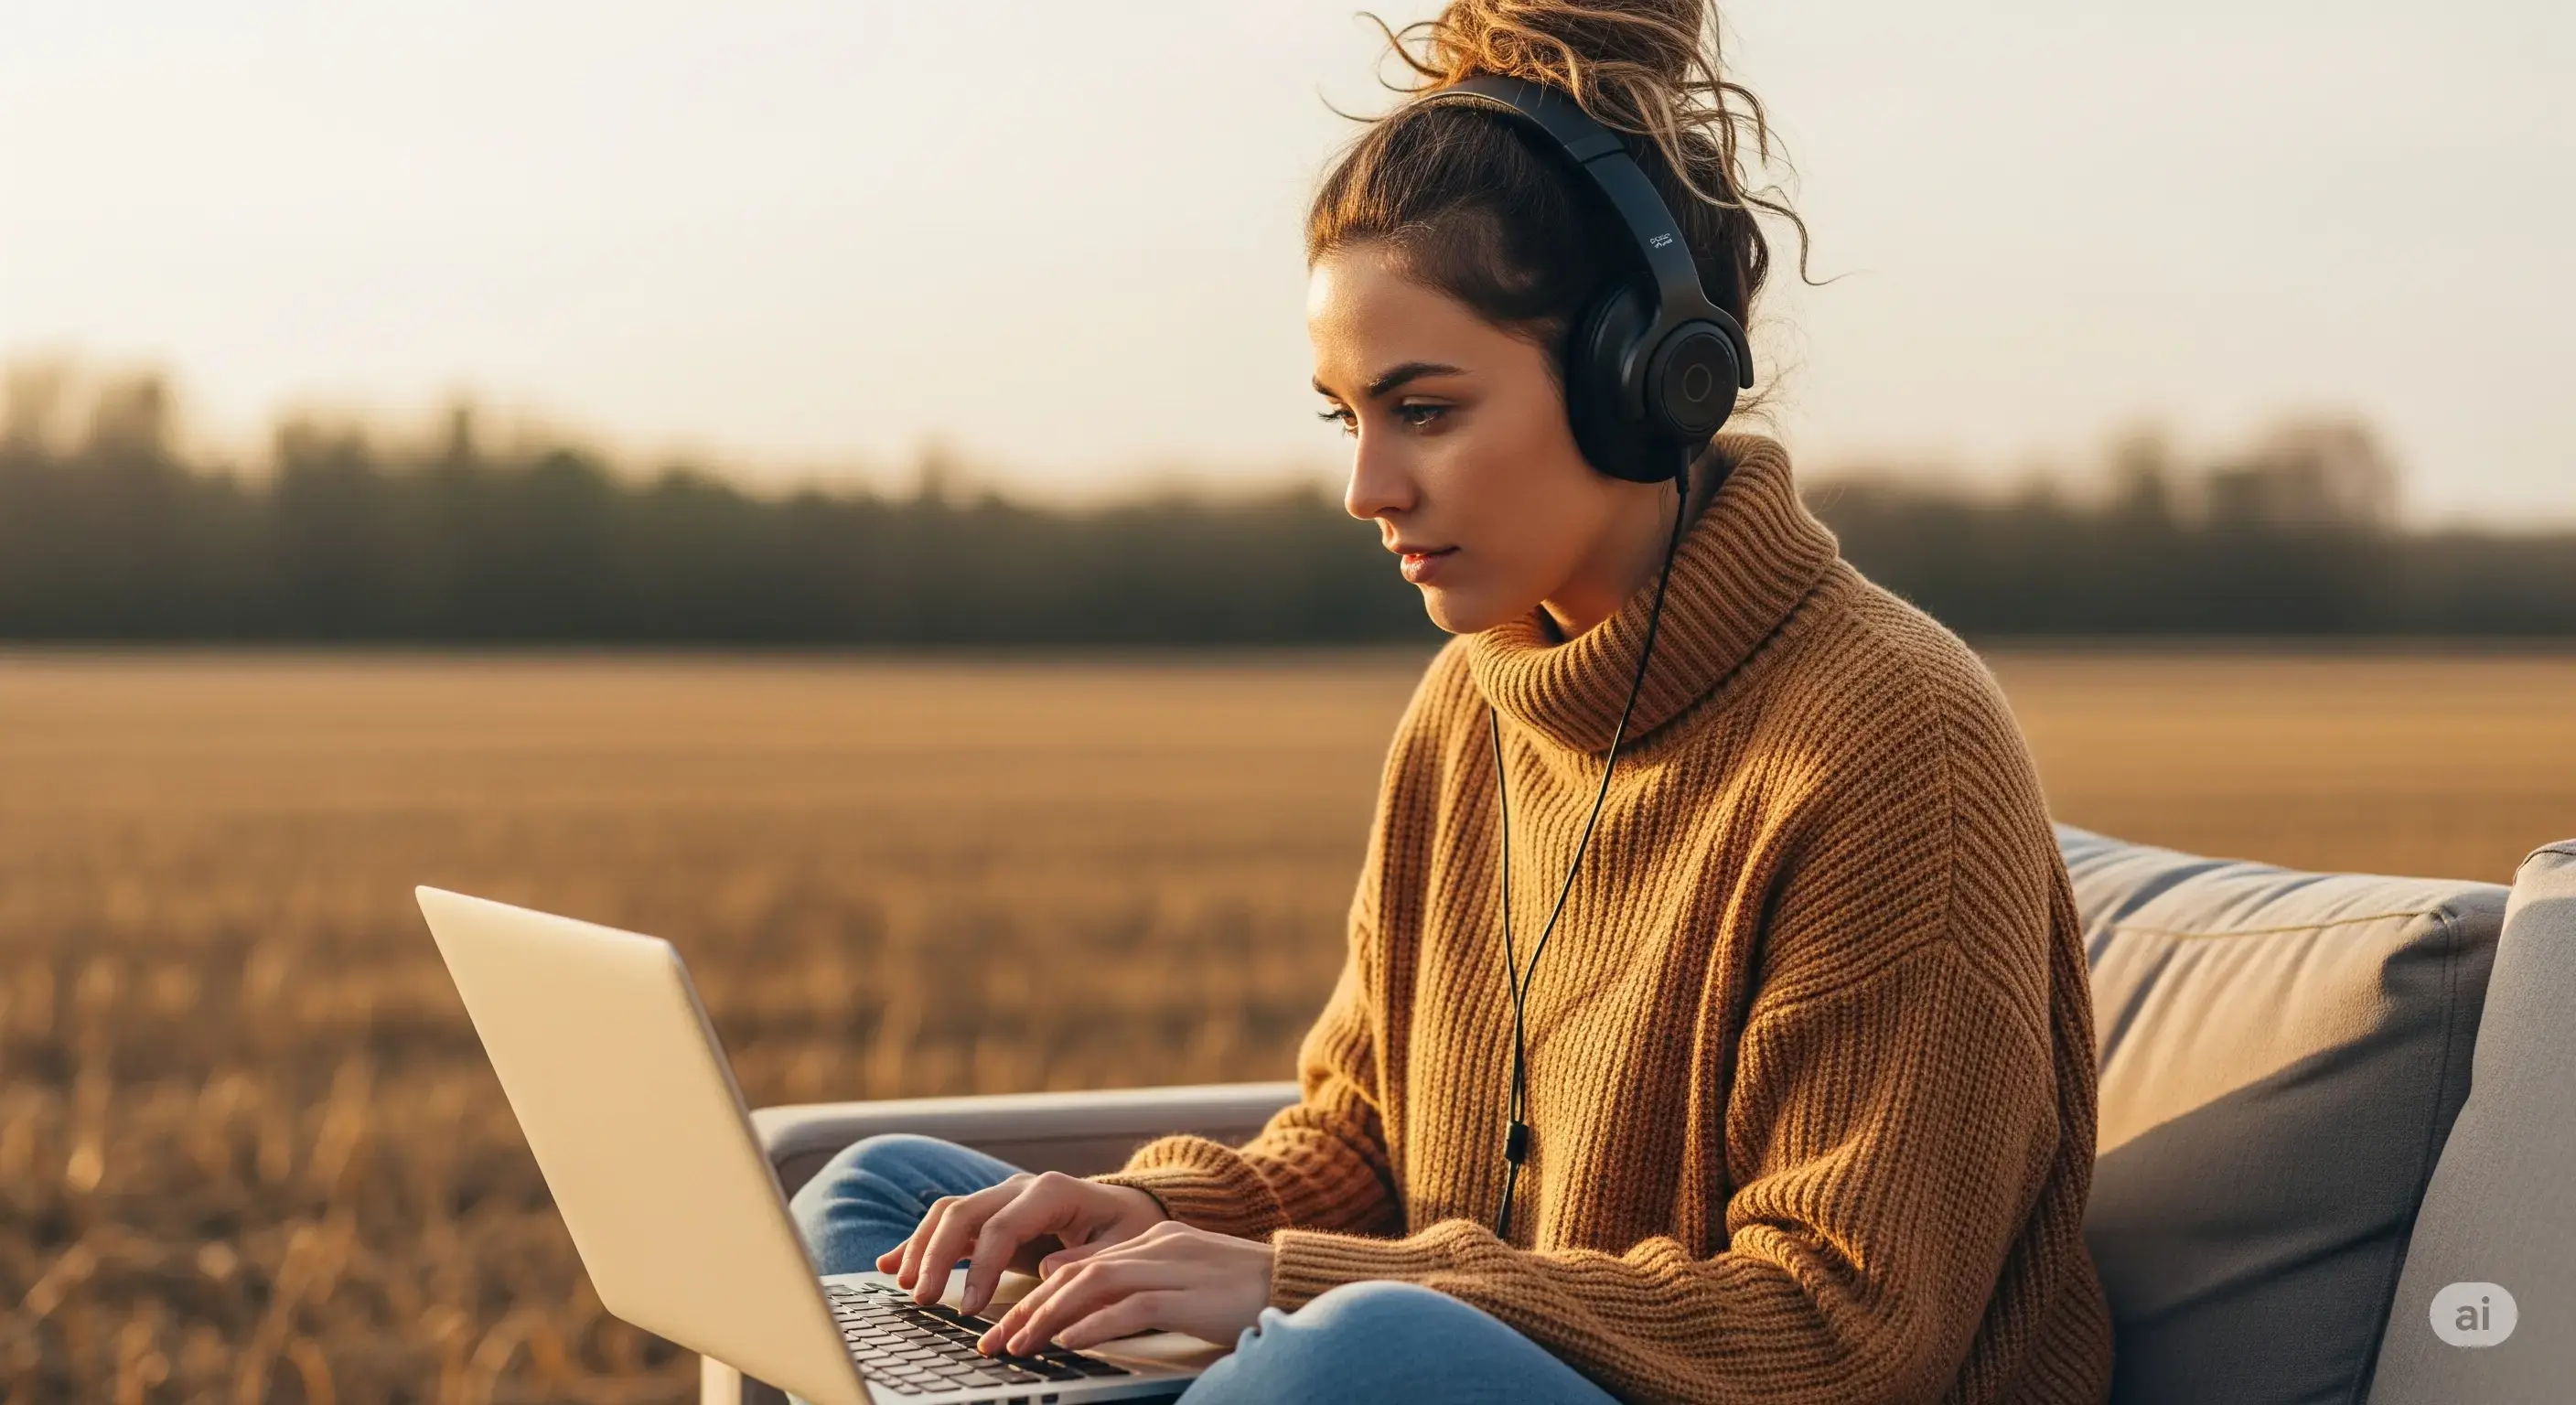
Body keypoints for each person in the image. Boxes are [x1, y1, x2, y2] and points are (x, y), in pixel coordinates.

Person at [790, 0, 2116, 1400]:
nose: (1368, 489)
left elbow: (1847, 1327)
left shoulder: (1893, 742)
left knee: (1362, 1348)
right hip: (1459, 1350)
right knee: (886, 1208)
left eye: (1424, 410)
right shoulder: (1468, 705)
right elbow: (1362, 1140)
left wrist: (1297, 1289)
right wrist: (1172, 1220)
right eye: (1345, 416)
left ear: (1641, 385)